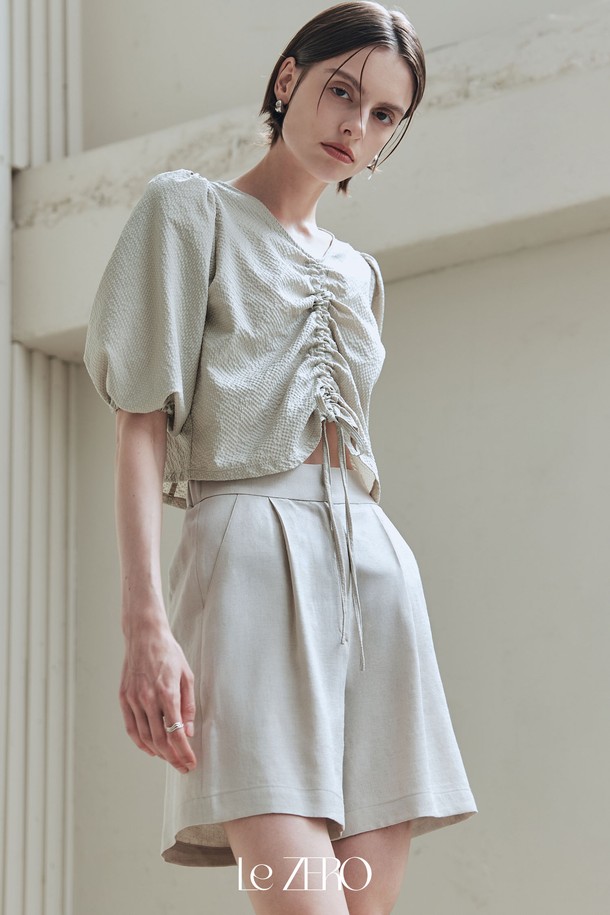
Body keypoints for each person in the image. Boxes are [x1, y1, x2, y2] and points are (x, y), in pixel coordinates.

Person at [83, 2, 477, 912]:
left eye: (384, 114)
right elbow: (140, 422)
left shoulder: (360, 274)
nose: (356, 125)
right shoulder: (188, 211)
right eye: (342, 91)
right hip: (247, 564)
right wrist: (145, 624)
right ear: (288, 78)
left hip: (375, 575)